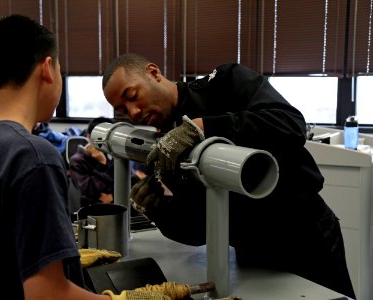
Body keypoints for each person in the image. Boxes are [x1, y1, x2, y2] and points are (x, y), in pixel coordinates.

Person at [0, 16, 169, 300]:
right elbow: (47, 294)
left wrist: (66, 258)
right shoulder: (32, 156)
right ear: (47, 68)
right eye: (60, 67)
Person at [101, 53, 356, 298]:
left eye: (132, 95)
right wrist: (159, 209)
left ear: (154, 73)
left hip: (303, 234)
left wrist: (204, 127)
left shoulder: (225, 81)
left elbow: (291, 124)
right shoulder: (167, 144)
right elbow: (199, 230)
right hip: (251, 251)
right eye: (122, 110)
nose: (133, 112)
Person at [69, 117, 115, 207]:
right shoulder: (77, 160)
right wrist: (102, 163)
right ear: (89, 136)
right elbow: (90, 190)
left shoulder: (111, 155)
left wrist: (113, 196)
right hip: (92, 208)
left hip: (115, 202)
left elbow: (125, 181)